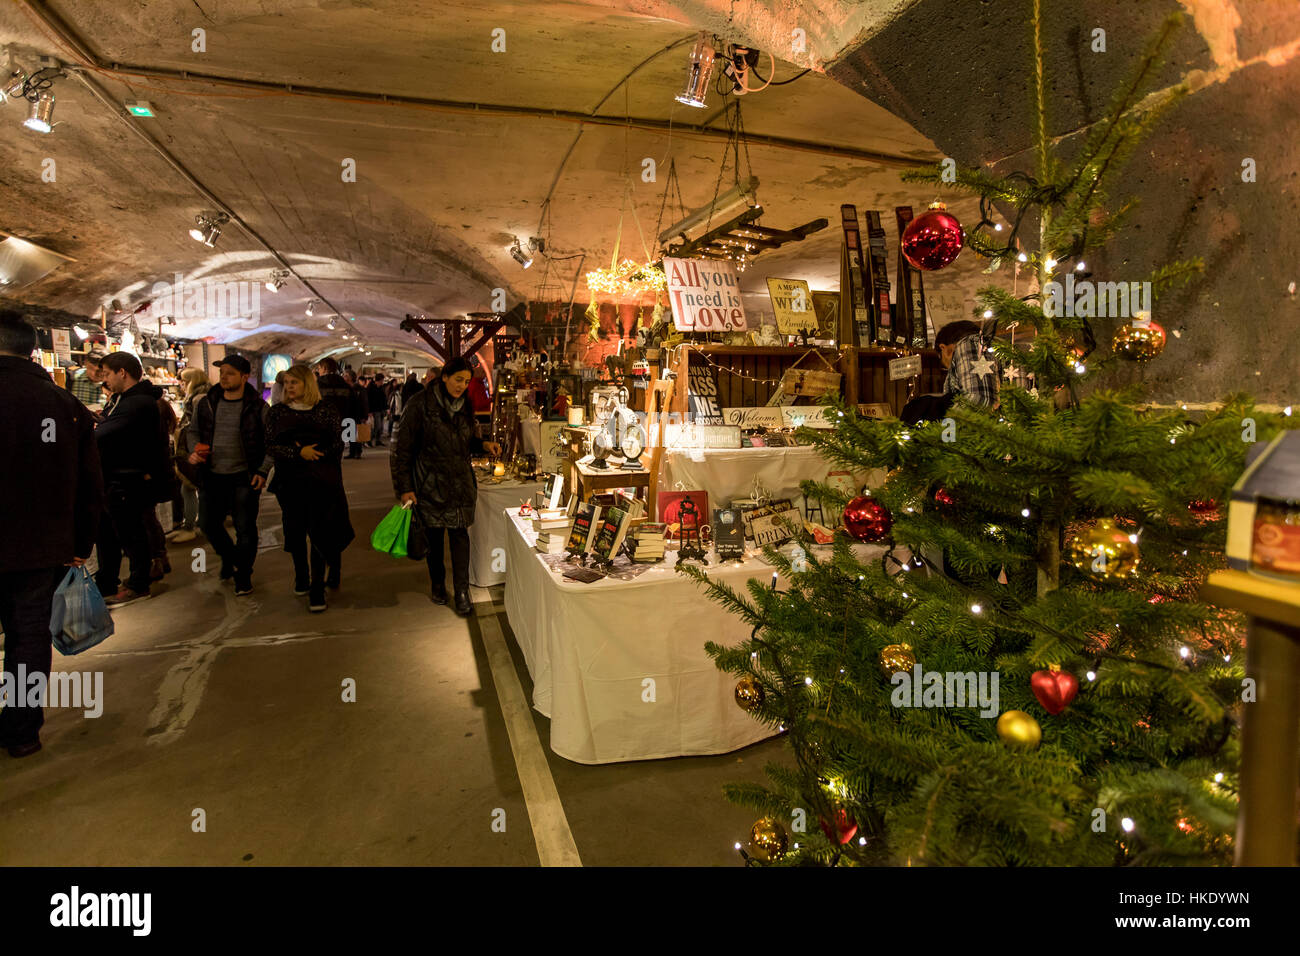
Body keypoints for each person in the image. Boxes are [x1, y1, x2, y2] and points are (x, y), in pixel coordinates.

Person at [0, 313, 104, 757]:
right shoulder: (63, 405)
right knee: (28, 636)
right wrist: (81, 543)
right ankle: (22, 731)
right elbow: (89, 483)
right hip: (41, 547)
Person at [392, 357, 501, 616]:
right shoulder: (419, 405)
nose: (462, 386)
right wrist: (405, 488)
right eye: (457, 379)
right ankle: (438, 584)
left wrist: (483, 445)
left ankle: (462, 592)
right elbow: (403, 450)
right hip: (429, 482)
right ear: (444, 377)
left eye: (466, 381)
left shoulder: (466, 406)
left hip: (460, 481)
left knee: (460, 537)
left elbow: (465, 442)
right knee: (434, 538)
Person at [266, 364, 354, 611]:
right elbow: (271, 445)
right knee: (295, 532)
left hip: (321, 480)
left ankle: (317, 587)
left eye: (294, 382)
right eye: (287, 383)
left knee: (319, 531)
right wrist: (298, 451)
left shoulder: (325, 409)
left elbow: (337, 442)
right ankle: (301, 576)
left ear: (307, 383)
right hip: (290, 482)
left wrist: (315, 453)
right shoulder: (277, 413)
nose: (290, 387)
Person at [187, 355, 272, 596]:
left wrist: (263, 470)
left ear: (245, 378)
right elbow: (193, 432)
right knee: (207, 524)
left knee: (245, 527)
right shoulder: (207, 403)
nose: (224, 377)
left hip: (244, 476)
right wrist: (195, 450)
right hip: (212, 475)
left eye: (230, 373)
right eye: (222, 372)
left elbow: (271, 442)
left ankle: (243, 575)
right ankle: (232, 558)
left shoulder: (258, 407)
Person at [94, 352, 169, 606]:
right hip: (115, 477)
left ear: (122, 373)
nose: (104, 380)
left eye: (106, 374)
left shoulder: (137, 403)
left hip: (128, 478)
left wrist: (94, 427)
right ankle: (107, 582)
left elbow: (105, 432)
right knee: (109, 533)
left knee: (131, 533)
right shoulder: (121, 400)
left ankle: (138, 583)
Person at [900, 320, 1000, 425]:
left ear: (944, 349)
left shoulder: (970, 343)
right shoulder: (992, 349)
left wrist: (942, 429)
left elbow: (979, 400)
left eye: (941, 359)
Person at [170, 367, 209, 543]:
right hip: (196, 448)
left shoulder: (198, 399)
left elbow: (197, 426)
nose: (182, 386)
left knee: (189, 487)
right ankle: (198, 524)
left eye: (184, 382)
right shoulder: (201, 396)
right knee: (193, 487)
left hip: (197, 449)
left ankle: (191, 527)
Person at [342, 368, 366, 458]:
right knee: (350, 434)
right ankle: (352, 452)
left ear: (351, 378)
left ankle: (358, 452)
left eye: (346, 375)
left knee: (357, 434)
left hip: (357, 414)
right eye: (344, 375)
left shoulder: (358, 389)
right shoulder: (344, 388)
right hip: (348, 413)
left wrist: (364, 415)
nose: (344, 377)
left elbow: (364, 402)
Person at [366, 371, 387, 446]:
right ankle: (369, 440)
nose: (382, 382)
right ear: (378, 380)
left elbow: (384, 398)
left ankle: (378, 440)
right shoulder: (370, 388)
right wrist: (369, 411)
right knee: (375, 426)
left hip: (380, 409)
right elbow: (368, 400)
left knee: (380, 427)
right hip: (374, 410)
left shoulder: (381, 387)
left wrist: (386, 408)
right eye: (382, 380)